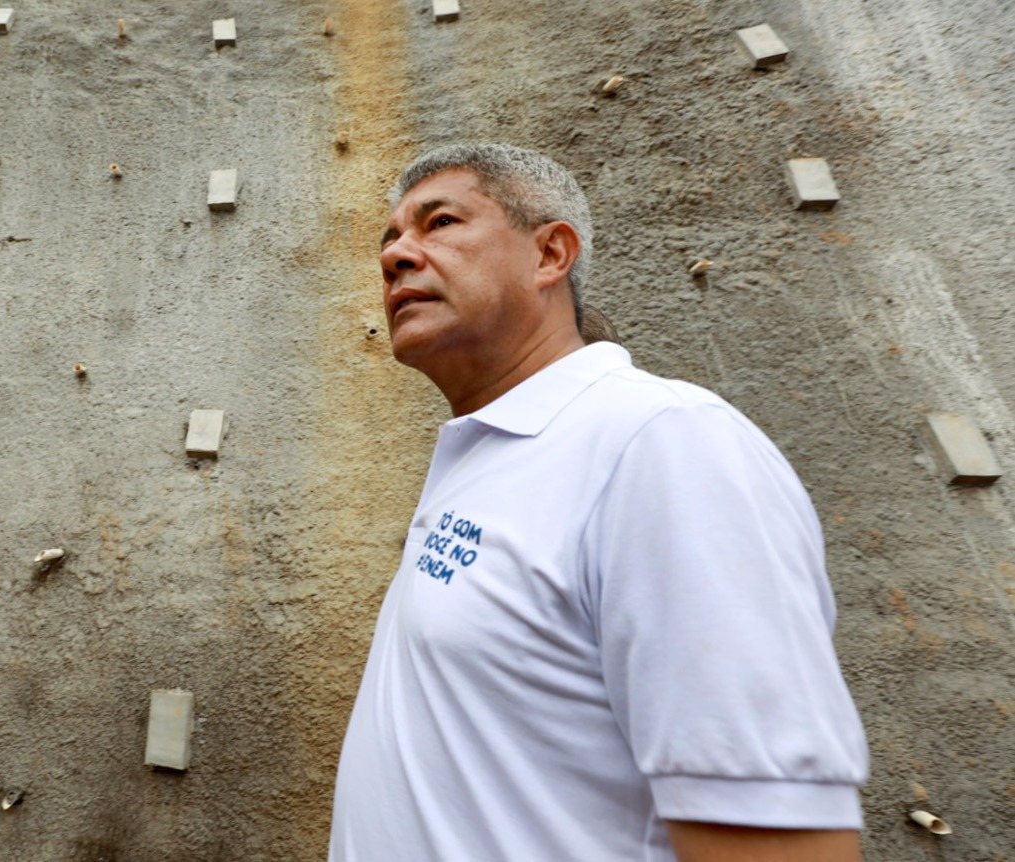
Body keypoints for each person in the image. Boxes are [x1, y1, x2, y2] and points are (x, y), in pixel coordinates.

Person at [329, 144, 869, 862]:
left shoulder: (659, 444)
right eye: (390, 236)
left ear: (550, 253)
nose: (397, 254)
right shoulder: (488, 453)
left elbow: (776, 838)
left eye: (439, 222)